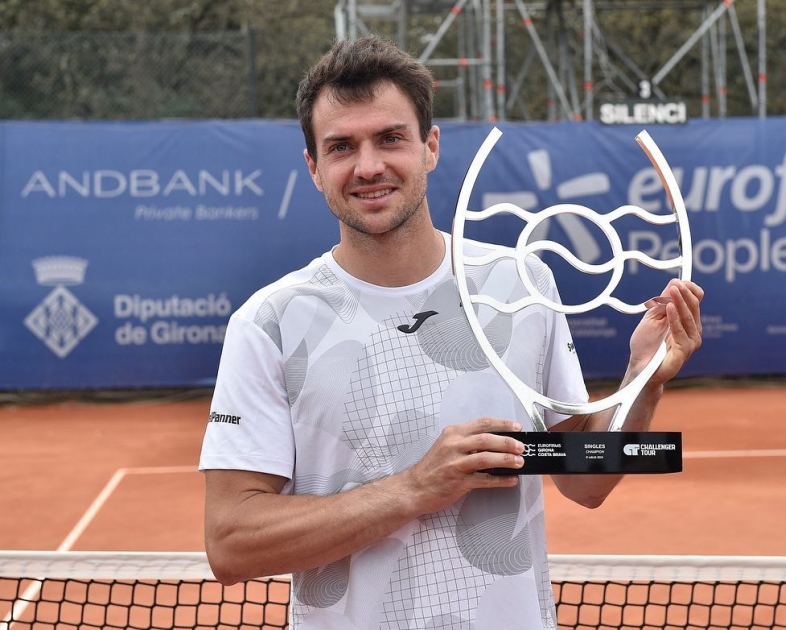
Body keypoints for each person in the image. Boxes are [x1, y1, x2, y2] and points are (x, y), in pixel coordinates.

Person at [199, 34, 703, 630]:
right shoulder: (269, 323)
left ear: (430, 146)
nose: (368, 166)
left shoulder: (521, 283)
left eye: (390, 138)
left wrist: (642, 378)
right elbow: (231, 544)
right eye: (341, 147)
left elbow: (584, 479)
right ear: (313, 167)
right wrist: (415, 488)